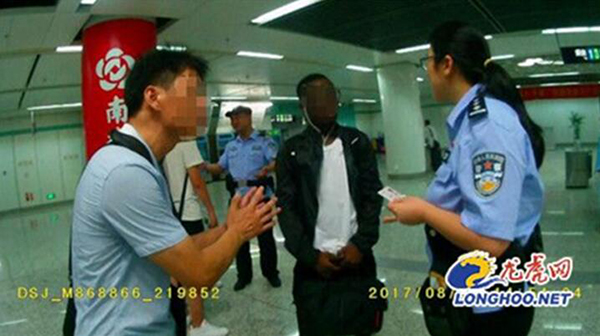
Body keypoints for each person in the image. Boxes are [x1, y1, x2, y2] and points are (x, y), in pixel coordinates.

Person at [71, 50, 279, 336]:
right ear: (153, 97)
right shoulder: (125, 172)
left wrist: (228, 227)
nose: (203, 106)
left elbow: (177, 248)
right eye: (193, 95)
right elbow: (198, 275)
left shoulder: (138, 161)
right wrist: (239, 233)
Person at [385, 21, 545, 336]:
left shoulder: (488, 127)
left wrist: (424, 211)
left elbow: (491, 241)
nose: (426, 71)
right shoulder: (474, 122)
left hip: (490, 304)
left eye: (427, 61)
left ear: (447, 64)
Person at [276, 73, 386, 336]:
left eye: (331, 95)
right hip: (314, 271)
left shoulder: (357, 143)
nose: (327, 103)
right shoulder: (291, 151)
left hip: (358, 264)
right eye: (317, 97)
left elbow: (373, 195)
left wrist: (360, 244)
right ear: (303, 104)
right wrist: (311, 257)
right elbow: (287, 210)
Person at [203, 106, 281, 291]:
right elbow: (220, 167)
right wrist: (204, 166)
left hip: (259, 198)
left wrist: (268, 168)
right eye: (231, 118)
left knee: (266, 239)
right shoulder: (231, 146)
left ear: (249, 117)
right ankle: (243, 276)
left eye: (238, 117)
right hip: (238, 200)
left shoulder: (264, 142)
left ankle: (271, 273)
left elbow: (277, 161)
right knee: (238, 240)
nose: (234, 121)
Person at [163, 139, 228, 336]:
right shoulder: (186, 144)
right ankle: (198, 324)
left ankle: (183, 314)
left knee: (176, 269)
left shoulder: (163, 146)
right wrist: (211, 211)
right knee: (192, 269)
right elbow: (197, 182)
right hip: (188, 212)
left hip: (170, 211)